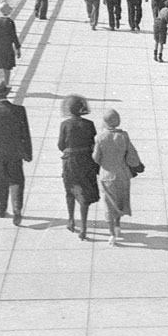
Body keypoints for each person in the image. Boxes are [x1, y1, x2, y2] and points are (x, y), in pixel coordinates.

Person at [0, 82, 32, 224]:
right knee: (17, 180)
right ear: (7, 93)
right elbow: (25, 133)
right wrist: (28, 152)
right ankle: (17, 209)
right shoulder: (19, 110)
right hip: (15, 152)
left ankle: (1, 209)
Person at [93, 109, 142, 246]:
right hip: (122, 175)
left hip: (106, 175)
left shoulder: (100, 137)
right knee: (120, 202)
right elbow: (133, 158)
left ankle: (112, 235)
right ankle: (118, 226)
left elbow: (96, 158)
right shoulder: (124, 136)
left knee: (109, 205)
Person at [57, 94, 99, 240]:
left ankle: (71, 220)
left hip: (70, 162)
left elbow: (60, 145)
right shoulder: (89, 124)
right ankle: (84, 227)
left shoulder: (65, 124)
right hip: (86, 160)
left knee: (70, 191)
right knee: (84, 195)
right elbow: (93, 143)